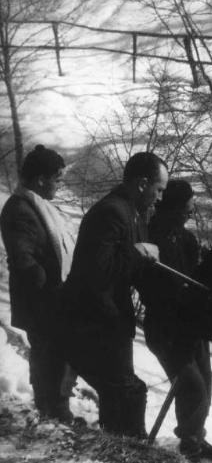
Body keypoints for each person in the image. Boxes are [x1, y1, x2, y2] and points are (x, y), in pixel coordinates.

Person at [61, 151, 168, 438]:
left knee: (126, 392)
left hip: (110, 318)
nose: (160, 198)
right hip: (94, 320)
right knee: (123, 392)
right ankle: (126, 449)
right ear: (143, 184)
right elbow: (98, 271)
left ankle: (128, 447)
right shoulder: (112, 211)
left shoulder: (131, 212)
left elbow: (127, 268)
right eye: (159, 189)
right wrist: (138, 253)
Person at [139, 179, 212, 462]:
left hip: (191, 324)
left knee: (204, 384)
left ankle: (195, 440)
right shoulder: (152, 235)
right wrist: (179, 292)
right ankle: (190, 443)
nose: (190, 213)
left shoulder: (186, 238)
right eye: (187, 209)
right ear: (174, 208)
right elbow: (148, 283)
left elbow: (197, 276)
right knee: (192, 385)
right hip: (166, 328)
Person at [0, 144, 76, 423]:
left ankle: (57, 410)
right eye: (57, 179)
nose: (59, 185)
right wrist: (47, 284)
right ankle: (51, 413)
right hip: (42, 302)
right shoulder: (20, 208)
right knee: (48, 358)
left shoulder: (37, 206)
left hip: (51, 301)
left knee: (56, 356)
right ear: (41, 179)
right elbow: (22, 257)